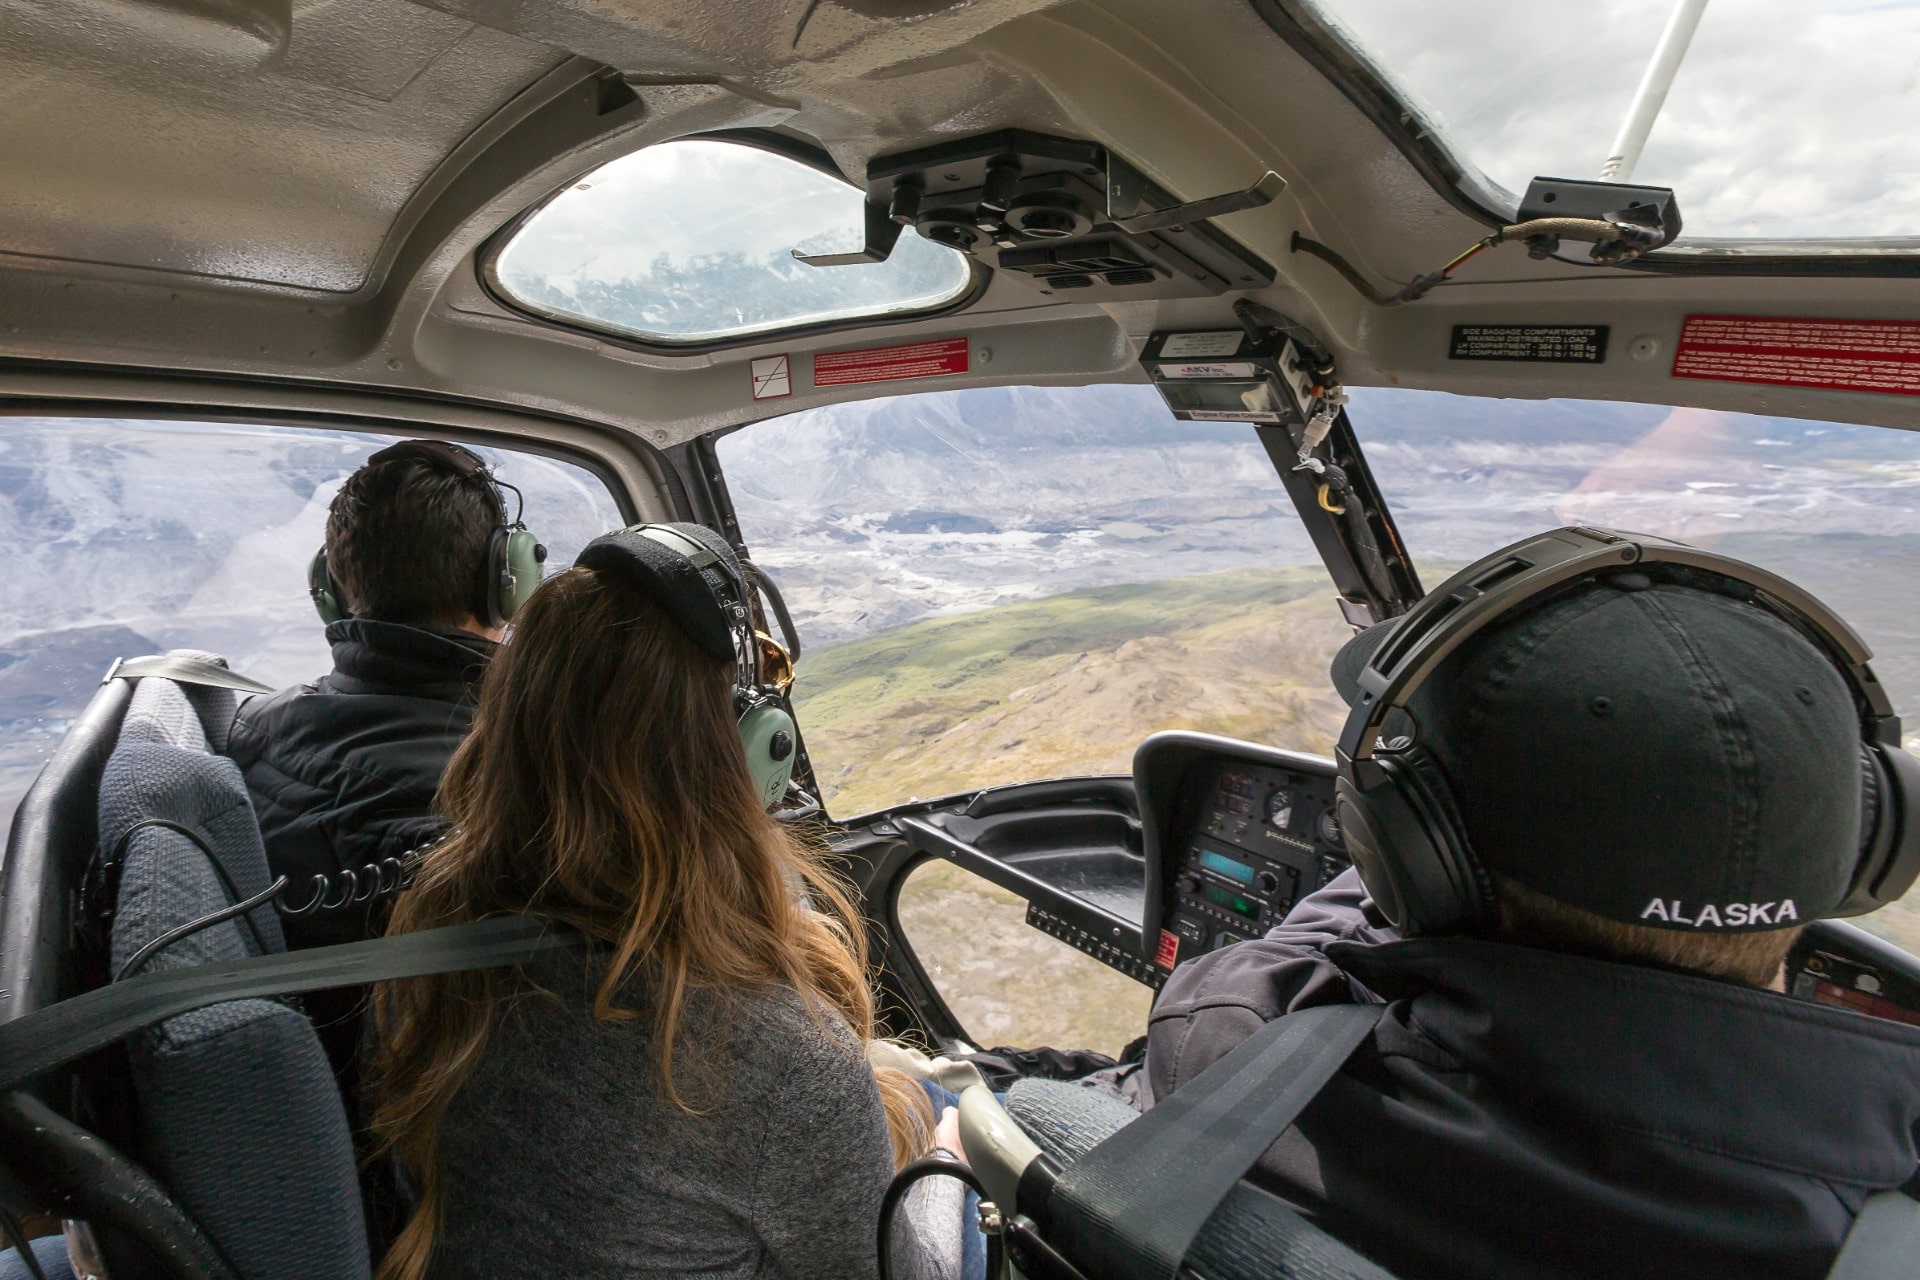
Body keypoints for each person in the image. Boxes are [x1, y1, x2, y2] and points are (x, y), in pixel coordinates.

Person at [1142, 531, 1920, 1279]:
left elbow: (1271, 966)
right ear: (1871, 841)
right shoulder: (1884, 1222)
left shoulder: (1232, 1054)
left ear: (1414, 860)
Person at [367, 523, 966, 1280]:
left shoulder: (424, 953)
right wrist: (948, 1162)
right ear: (745, 751)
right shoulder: (775, 1059)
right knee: (961, 1113)